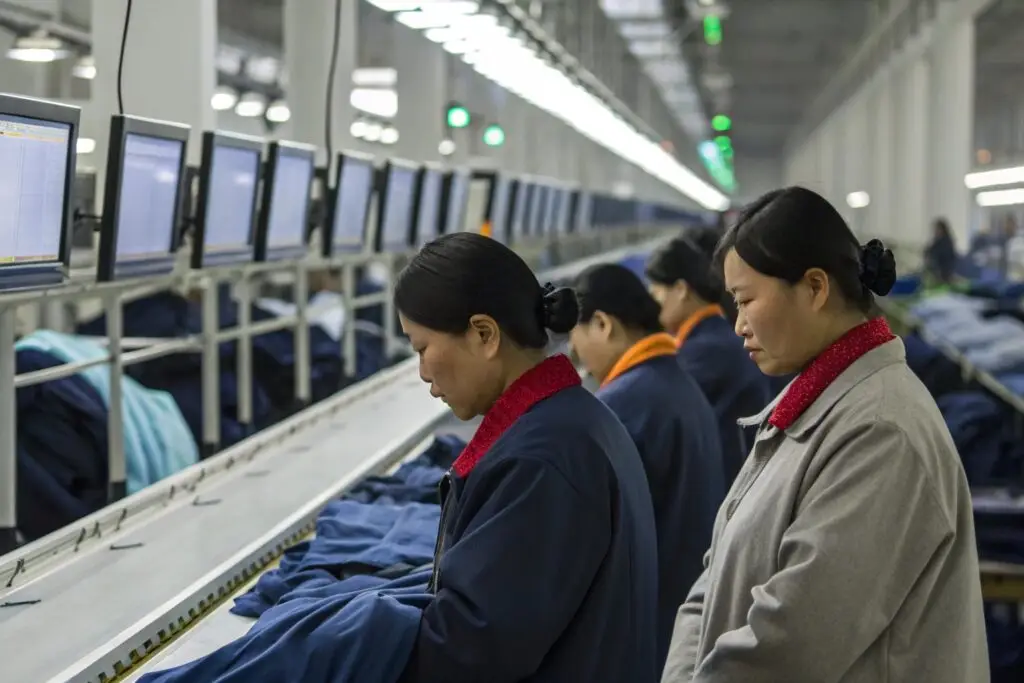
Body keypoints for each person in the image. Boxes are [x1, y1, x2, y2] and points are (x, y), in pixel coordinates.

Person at [662, 187, 989, 683]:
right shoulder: (810, 408)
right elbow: (712, 584)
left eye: (746, 301)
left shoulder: (881, 434)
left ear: (815, 287)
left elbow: (790, 647)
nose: (739, 326)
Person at [394, 233, 659, 683]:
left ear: (484, 334)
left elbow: (469, 652)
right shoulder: (573, 420)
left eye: (422, 348)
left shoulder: (542, 460)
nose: (422, 372)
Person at [570, 263, 725, 670]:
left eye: (576, 342)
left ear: (602, 324)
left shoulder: (622, 404)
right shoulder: (675, 383)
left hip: (643, 629)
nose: (579, 360)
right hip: (681, 609)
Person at [646, 234, 771, 486]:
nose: (653, 306)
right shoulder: (712, 339)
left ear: (680, 290)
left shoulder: (705, 352)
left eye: (657, 294)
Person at [924, 217, 957, 284]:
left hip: (944, 272)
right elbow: (928, 251)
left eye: (938, 229)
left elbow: (947, 257)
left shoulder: (947, 242)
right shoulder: (936, 241)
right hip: (936, 271)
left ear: (943, 229)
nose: (936, 231)